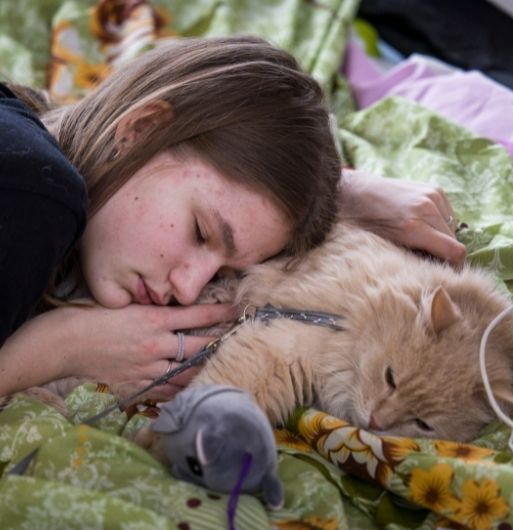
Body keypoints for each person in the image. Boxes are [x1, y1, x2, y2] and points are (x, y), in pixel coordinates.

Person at [0, 34, 465, 403]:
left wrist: (341, 189)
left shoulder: (30, 135)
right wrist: (63, 347)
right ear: (141, 129)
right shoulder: (41, 197)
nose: (186, 288)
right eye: (201, 232)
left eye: (223, 273)